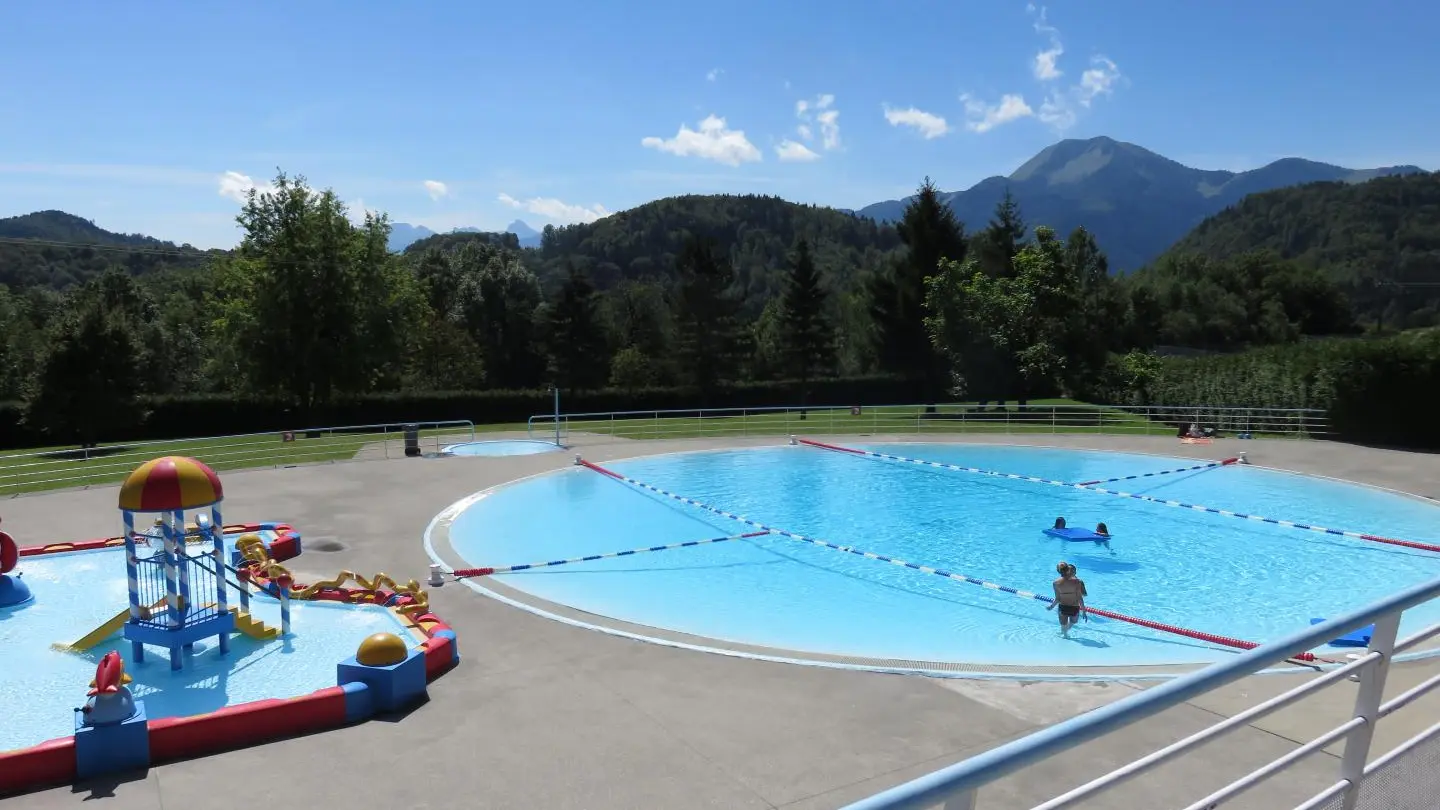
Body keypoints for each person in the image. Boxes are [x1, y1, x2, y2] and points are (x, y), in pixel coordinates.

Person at [1047, 562, 1088, 637]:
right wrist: (1084, 611)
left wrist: (1051, 606)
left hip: (1064, 607)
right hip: (1073, 607)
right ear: (1067, 570)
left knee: (1065, 624)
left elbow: (1058, 598)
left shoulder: (1056, 583)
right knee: (1071, 623)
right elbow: (1080, 598)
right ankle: (1065, 634)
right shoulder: (1077, 582)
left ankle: (1064, 634)